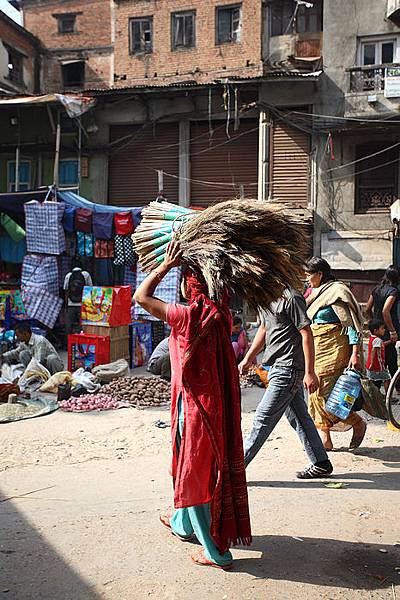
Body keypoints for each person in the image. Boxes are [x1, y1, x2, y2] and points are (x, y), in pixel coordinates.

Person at [133, 241, 251, 570]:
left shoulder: (187, 316)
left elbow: (140, 297)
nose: (181, 283)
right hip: (213, 406)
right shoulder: (221, 314)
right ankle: (183, 523)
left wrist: (164, 266)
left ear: (191, 283)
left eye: (185, 278)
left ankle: (215, 552)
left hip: (196, 409)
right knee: (189, 465)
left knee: (194, 472)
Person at [239, 287, 333, 479]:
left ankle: (233, 471)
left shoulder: (291, 297)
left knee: (263, 418)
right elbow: (264, 329)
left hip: (289, 368)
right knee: (298, 416)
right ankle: (321, 462)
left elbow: (306, 333)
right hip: (275, 367)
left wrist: (309, 372)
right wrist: (249, 357)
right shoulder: (266, 296)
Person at [305, 257, 366, 451]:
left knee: (328, 393)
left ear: (320, 274)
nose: (306, 279)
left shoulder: (337, 292)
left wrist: (355, 353)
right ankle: (325, 438)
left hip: (336, 349)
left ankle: (357, 423)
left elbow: (351, 325)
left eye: (308, 274)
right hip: (317, 348)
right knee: (313, 390)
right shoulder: (314, 293)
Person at [366, 265, 400, 378]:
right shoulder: (393, 291)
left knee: (380, 355)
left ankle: (378, 384)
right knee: (391, 358)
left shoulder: (376, 289)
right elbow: (386, 311)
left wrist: (374, 322)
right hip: (387, 328)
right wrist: (392, 331)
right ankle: (395, 386)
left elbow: (367, 309)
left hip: (377, 329)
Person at [63, 265, 92, 335]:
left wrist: (66, 306)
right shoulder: (86, 274)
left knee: (68, 327)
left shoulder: (68, 275)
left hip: (70, 304)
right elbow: (89, 289)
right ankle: (82, 342)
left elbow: (66, 290)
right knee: (83, 326)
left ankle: (68, 342)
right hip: (82, 304)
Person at [366, 319, 391, 393]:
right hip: (377, 366)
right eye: (382, 328)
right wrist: (372, 364)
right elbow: (374, 351)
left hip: (372, 366)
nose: (384, 330)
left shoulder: (373, 338)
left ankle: (376, 397)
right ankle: (387, 396)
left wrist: (390, 341)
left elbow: (382, 344)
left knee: (374, 382)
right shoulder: (378, 340)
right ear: (375, 331)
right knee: (387, 379)